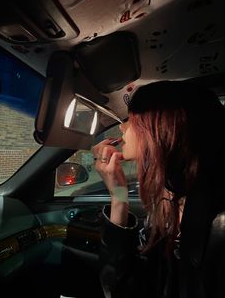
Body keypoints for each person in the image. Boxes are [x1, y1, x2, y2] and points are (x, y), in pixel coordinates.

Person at [93, 80, 225, 298]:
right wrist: (118, 196)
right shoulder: (172, 197)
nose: (122, 126)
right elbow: (130, 287)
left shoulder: (216, 222)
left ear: (164, 128)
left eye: (133, 118)